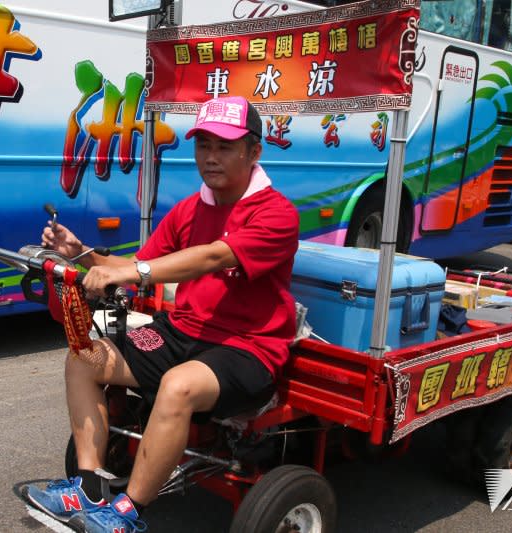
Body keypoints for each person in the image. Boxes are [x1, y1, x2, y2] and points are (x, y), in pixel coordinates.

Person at [22, 95, 299, 533]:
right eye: (203, 145)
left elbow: (211, 257)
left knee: (177, 385)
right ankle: (90, 488)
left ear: (254, 151)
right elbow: (137, 266)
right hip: (184, 332)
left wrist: (136, 270)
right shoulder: (190, 209)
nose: (210, 157)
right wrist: (82, 255)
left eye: (225, 146)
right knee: (84, 358)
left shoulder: (276, 214)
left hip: (248, 349)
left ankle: (127, 514)